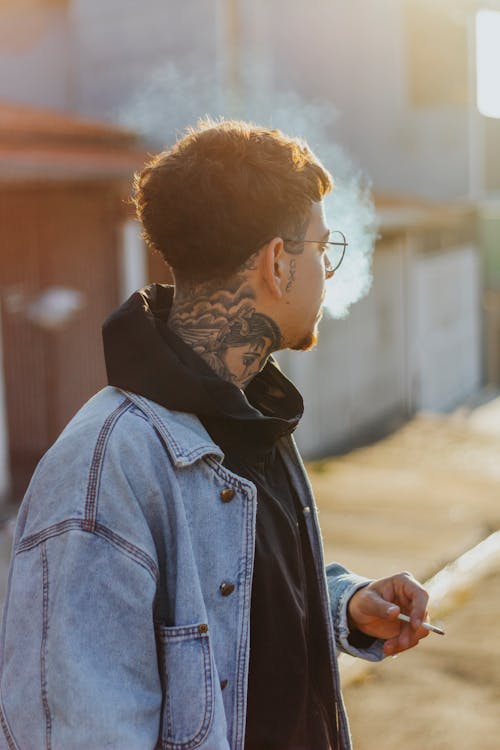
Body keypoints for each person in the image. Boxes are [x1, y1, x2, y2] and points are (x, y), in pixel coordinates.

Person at [0, 119, 430, 750]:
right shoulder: (102, 472)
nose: (329, 272)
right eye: (322, 248)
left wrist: (343, 603)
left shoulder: (250, 416)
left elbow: (227, 604)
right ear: (278, 264)